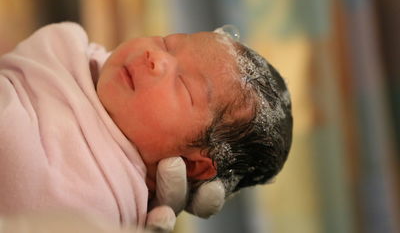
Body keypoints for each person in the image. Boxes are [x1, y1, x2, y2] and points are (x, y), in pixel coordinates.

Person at [0, 22, 292, 231]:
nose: (157, 58)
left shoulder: (100, 196)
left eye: (183, 85)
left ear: (195, 166)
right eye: (169, 43)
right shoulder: (82, 55)